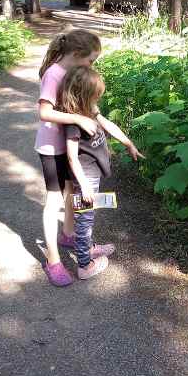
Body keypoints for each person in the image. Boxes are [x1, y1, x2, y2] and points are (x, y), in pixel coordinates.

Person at [58, 66, 144, 280]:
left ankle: (87, 248)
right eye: (95, 96)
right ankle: (84, 265)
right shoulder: (73, 124)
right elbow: (71, 157)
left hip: (92, 175)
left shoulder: (90, 110)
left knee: (88, 216)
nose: (97, 100)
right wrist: (84, 185)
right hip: (84, 177)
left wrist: (127, 142)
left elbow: (107, 124)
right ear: (83, 96)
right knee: (85, 219)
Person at [35, 29, 102, 287]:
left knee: (72, 194)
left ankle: (69, 234)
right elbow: (45, 113)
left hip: (71, 147)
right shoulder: (54, 74)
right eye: (91, 61)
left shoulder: (73, 73)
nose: (92, 65)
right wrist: (77, 118)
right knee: (54, 202)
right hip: (52, 149)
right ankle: (53, 260)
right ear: (76, 54)